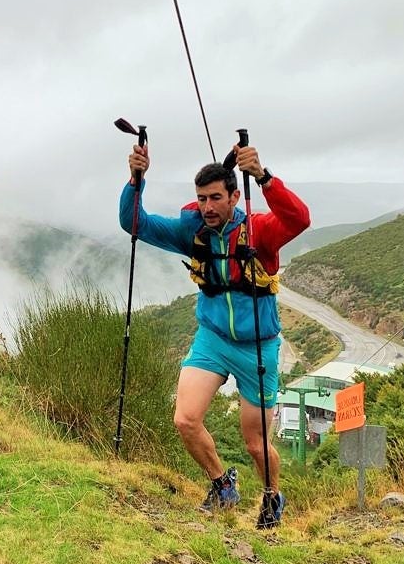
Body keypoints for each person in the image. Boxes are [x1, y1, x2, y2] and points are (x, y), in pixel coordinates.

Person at [119, 141, 310, 527]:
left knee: (256, 444)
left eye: (216, 198)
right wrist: (136, 179)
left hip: (257, 344)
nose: (207, 207)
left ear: (234, 196)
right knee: (185, 419)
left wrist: (265, 178)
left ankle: (272, 497)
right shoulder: (192, 231)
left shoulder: (259, 232)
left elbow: (299, 219)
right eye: (201, 198)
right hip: (211, 339)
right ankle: (223, 485)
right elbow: (134, 223)